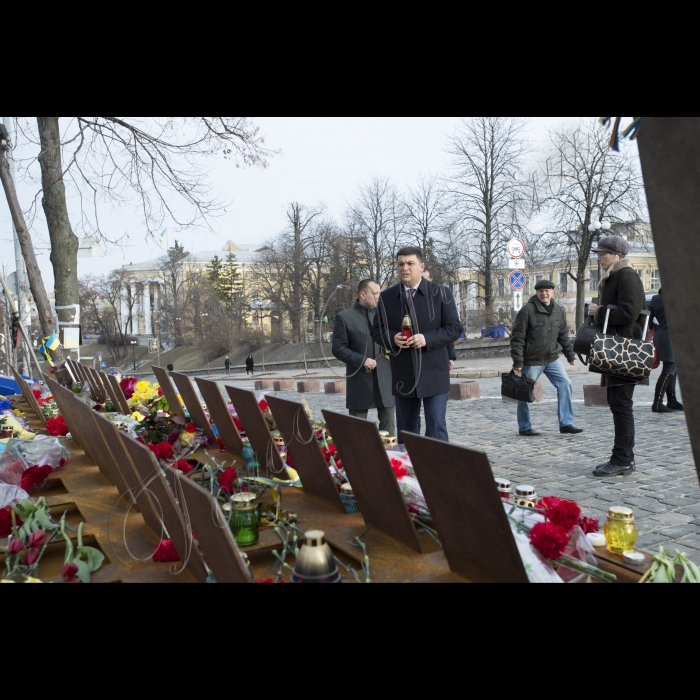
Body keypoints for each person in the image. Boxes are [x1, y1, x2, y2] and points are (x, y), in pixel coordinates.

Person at [371, 247, 462, 444]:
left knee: (436, 426)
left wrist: (426, 339)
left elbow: (454, 328)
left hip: (434, 372)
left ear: (421, 267)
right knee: (407, 430)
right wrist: (392, 337)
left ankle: (436, 468)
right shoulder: (387, 297)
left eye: (410, 263)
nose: (405, 268)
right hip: (403, 374)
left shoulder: (440, 293)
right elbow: (377, 330)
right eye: (401, 264)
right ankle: (409, 470)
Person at [588, 236, 648, 478]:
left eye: (602, 253)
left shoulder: (627, 276)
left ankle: (622, 459)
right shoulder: (616, 276)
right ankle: (623, 457)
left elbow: (630, 312)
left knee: (622, 406)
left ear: (615, 255)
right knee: (618, 405)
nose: (599, 257)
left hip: (624, 352)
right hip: (618, 350)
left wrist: (599, 311)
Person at [510, 280, 582, 437]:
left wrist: (570, 355)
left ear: (553, 292)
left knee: (565, 384)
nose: (544, 293)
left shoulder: (558, 310)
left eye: (547, 290)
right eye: (541, 291)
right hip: (532, 360)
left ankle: (566, 423)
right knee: (524, 392)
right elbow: (517, 337)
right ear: (536, 292)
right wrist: (518, 361)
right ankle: (524, 426)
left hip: (552, 358)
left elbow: (563, 335)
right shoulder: (527, 310)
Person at [333, 280, 396, 435]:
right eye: (375, 293)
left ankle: (389, 458)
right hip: (359, 380)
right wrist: (362, 360)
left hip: (386, 379)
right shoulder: (344, 318)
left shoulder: (387, 315)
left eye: (380, 293)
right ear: (362, 294)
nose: (379, 296)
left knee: (389, 430)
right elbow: (338, 348)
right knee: (357, 431)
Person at [649, 289, 683, 413]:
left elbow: (647, 320)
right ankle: (657, 403)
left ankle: (672, 400)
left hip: (662, 334)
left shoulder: (655, 299)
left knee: (673, 368)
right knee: (669, 369)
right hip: (672, 336)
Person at [423, 268, 457, 371]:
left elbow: (449, 329)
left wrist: (451, 356)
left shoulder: (439, 297)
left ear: (431, 279)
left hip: (437, 352)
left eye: (425, 279)